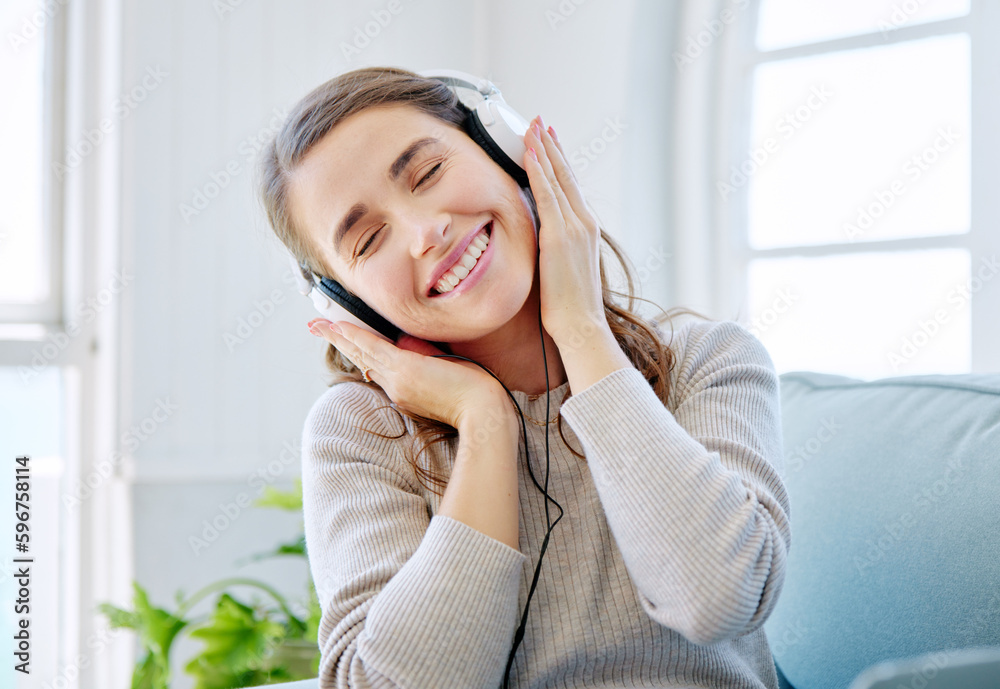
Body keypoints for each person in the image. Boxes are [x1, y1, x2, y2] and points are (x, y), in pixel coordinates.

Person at [257, 66, 791, 689]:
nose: (427, 232)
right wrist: (485, 421)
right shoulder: (361, 433)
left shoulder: (708, 360)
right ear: (345, 304)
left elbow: (722, 598)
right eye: (369, 239)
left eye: (428, 174)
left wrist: (583, 331)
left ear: (505, 152)